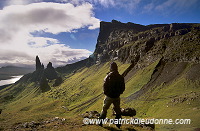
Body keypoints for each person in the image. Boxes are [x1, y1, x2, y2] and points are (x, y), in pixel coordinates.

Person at [99, 62, 125, 128]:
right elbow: (123, 87)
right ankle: (118, 125)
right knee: (117, 110)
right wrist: (119, 93)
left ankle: (100, 123)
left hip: (109, 96)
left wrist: (106, 93)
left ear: (111, 68)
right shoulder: (120, 77)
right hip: (117, 96)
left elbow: (105, 86)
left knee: (104, 109)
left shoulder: (108, 76)